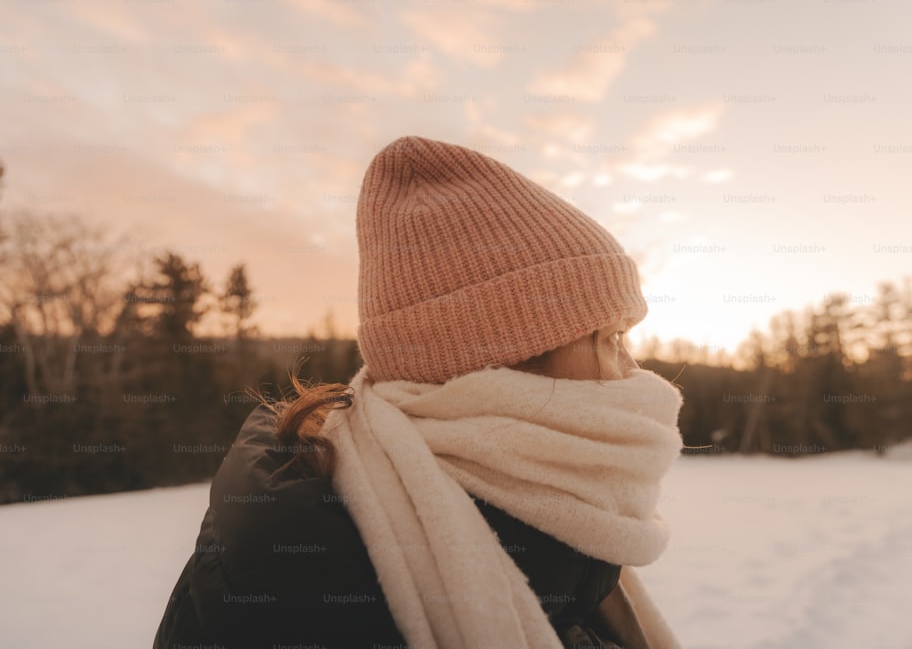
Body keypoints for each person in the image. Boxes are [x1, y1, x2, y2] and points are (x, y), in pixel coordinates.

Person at [154, 136, 685, 648]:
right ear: (500, 364)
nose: (632, 370)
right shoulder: (311, 594)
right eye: (611, 338)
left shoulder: (555, 544)